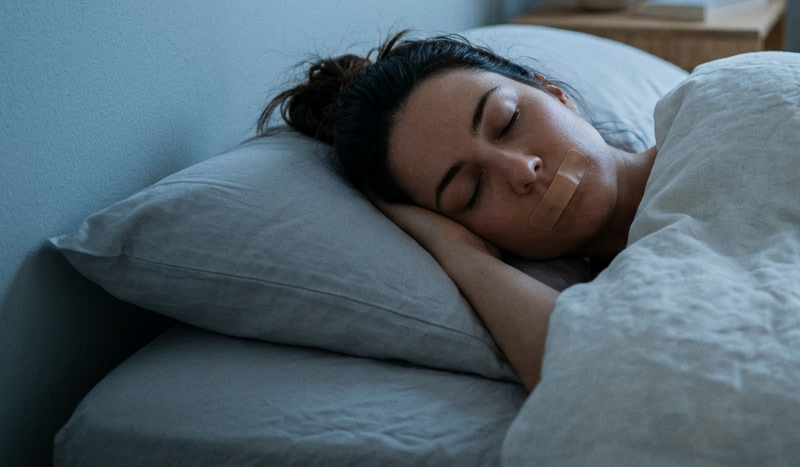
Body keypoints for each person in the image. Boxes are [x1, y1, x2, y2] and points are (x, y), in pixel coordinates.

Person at [260, 32, 658, 391]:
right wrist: (458, 253)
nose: (521, 171)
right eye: (470, 192)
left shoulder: (707, 114)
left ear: (553, 92)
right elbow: (601, 388)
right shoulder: (617, 304)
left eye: (507, 121)